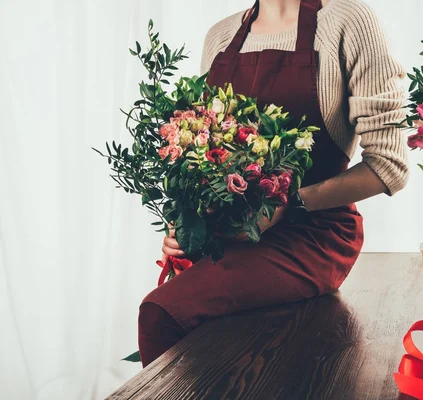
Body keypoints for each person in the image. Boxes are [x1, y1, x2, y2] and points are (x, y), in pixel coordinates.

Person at [138, 0, 409, 367]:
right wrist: (188, 222)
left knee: (161, 312)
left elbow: (389, 165)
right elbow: (205, 156)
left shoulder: (348, 22)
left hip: (315, 234)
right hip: (233, 233)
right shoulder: (220, 38)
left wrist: (289, 205)